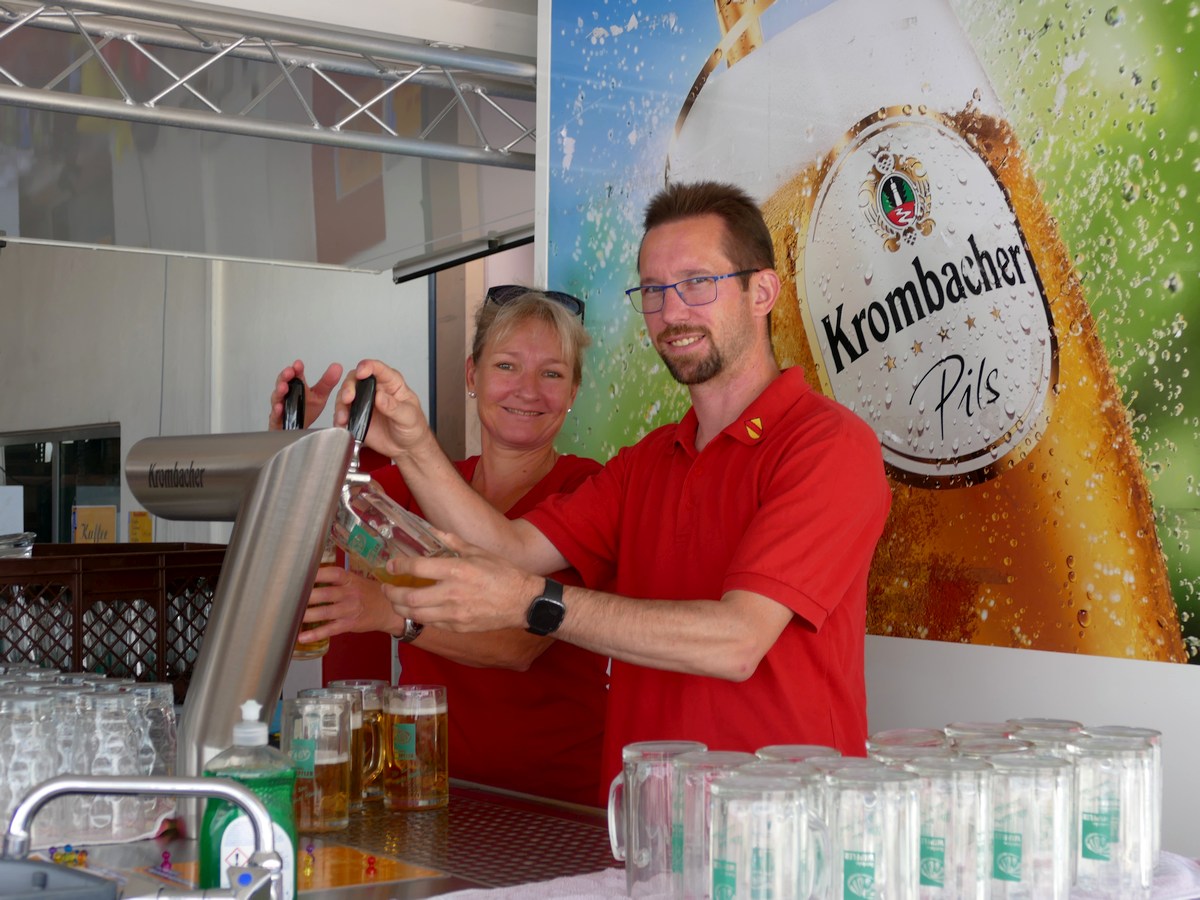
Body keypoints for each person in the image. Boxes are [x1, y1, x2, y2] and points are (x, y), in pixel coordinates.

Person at [334, 181, 892, 785]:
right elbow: (511, 548)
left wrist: (532, 602)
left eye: (697, 283)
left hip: (783, 823)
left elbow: (736, 642)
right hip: (642, 819)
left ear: (762, 292)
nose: (671, 312)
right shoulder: (648, 461)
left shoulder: (828, 445)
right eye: (653, 290)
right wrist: (413, 444)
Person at [270, 288, 609, 807]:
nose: (528, 390)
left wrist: (386, 610)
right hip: (428, 789)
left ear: (574, 391)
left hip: (557, 803)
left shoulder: (585, 489)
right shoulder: (414, 487)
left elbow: (519, 644)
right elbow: (305, 527)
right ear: (472, 375)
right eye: (507, 366)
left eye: (552, 373)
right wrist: (295, 448)